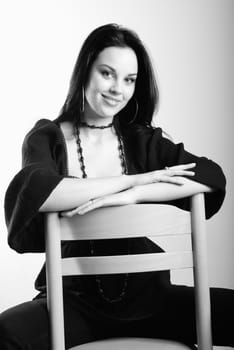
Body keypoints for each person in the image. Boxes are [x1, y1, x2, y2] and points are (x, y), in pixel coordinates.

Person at [0, 23, 233, 349]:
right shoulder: (48, 138)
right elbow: (39, 190)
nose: (117, 89)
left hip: (151, 299)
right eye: (107, 73)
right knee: (5, 332)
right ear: (85, 71)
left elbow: (210, 176)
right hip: (73, 304)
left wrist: (137, 195)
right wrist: (131, 180)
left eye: (129, 80)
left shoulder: (141, 141)